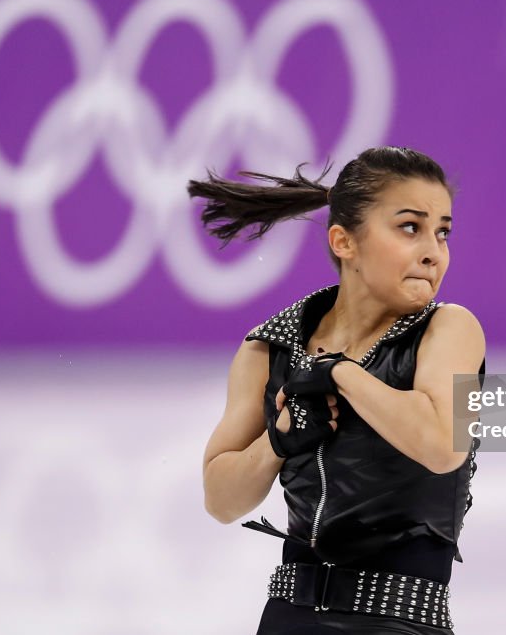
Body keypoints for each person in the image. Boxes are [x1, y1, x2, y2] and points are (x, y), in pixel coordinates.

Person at [192, 146, 486, 634]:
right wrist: (277, 440)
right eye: (410, 227)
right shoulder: (269, 348)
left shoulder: (450, 330)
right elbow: (220, 501)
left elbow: (443, 445)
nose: (434, 251)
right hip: (289, 616)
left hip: (401, 621)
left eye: (443, 232)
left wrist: (340, 374)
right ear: (344, 242)